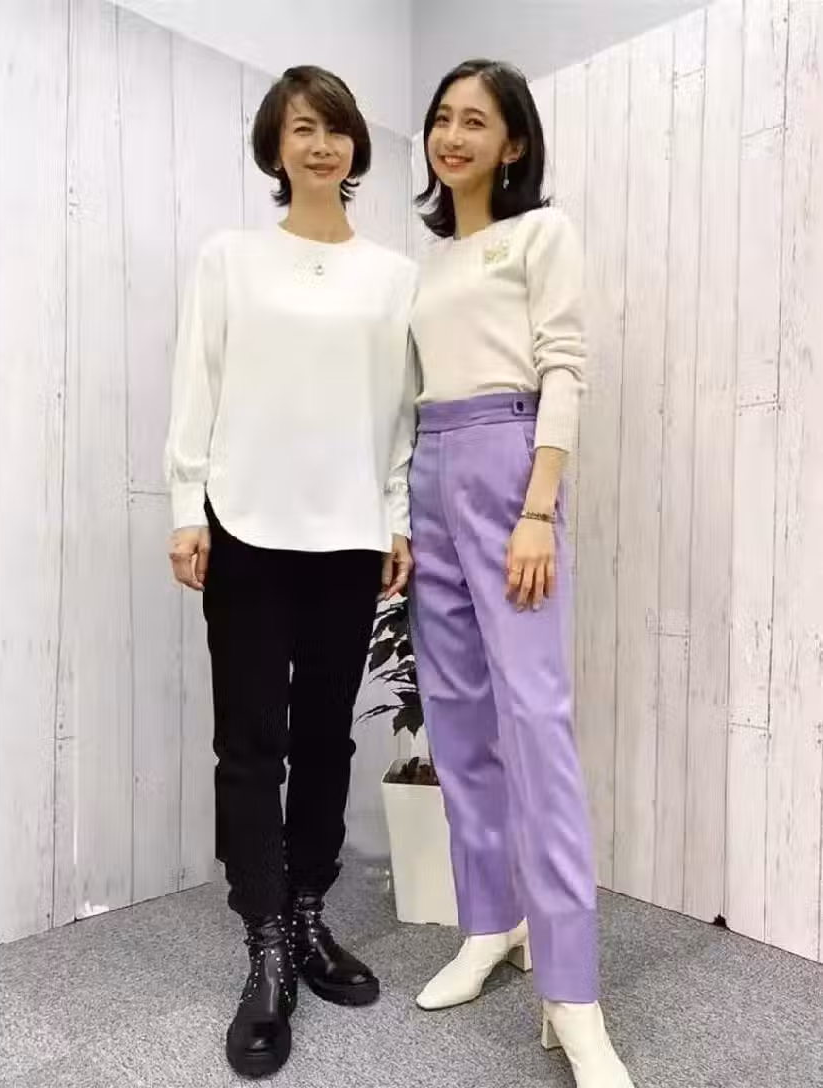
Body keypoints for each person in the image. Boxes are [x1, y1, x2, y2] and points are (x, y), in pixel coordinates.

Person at [164, 65, 416, 1079]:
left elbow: (397, 413)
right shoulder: (230, 259)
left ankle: (309, 912)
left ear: (355, 148)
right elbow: (198, 381)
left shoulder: (392, 276)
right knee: (249, 742)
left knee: (323, 737)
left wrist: (395, 517)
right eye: (302, 128)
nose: (321, 145)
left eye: (336, 129)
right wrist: (186, 506)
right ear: (276, 146)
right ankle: (264, 940)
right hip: (247, 527)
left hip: (348, 532)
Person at [408, 59, 634, 1088]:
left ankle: (573, 992)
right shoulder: (426, 265)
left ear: (513, 143)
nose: (452, 135)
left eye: (476, 121)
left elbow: (563, 366)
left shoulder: (541, 234)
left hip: (509, 466)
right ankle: (490, 924)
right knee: (457, 720)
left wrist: (538, 506)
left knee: (535, 724)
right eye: (442, 118)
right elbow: (409, 391)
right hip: (431, 466)